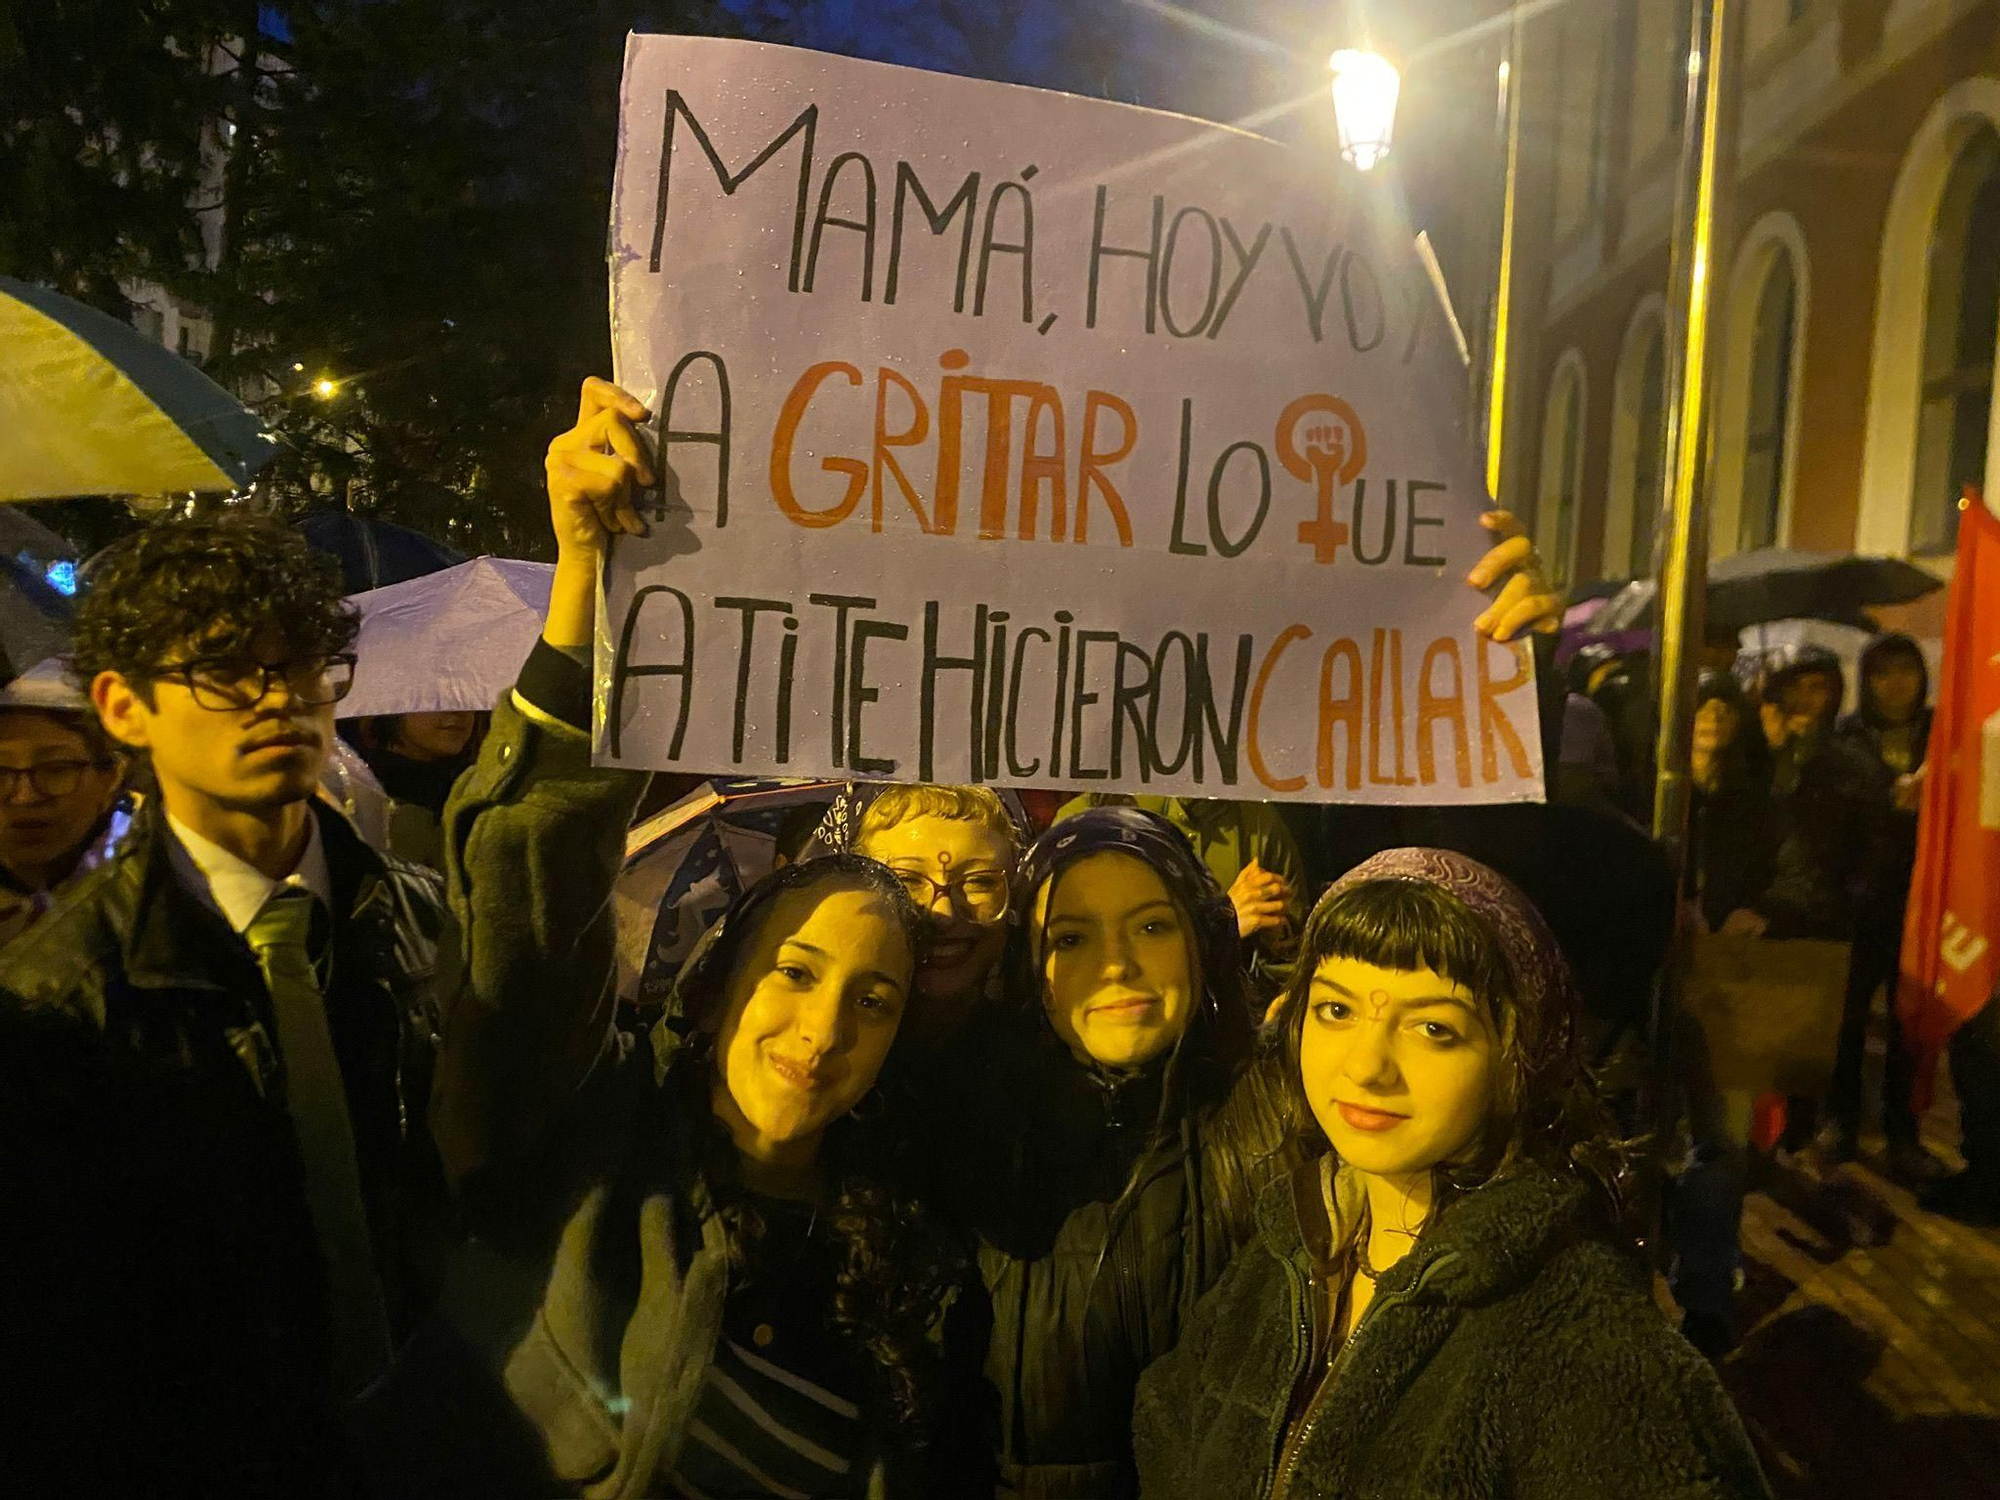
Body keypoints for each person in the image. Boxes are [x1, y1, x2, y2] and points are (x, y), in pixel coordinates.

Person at [411, 376, 991, 1497]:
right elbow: (528, 903)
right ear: (717, 986)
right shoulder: (584, 1145)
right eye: (795, 970)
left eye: (872, 1000)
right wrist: (583, 576)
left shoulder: (915, 1263)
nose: (821, 1029)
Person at [0, 515, 455, 1498]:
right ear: (122, 707)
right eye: (224, 672)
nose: (277, 701)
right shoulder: (54, 1003)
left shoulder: (422, 924)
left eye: (301, 667)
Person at [1131, 848, 1772, 1500]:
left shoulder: (1578, 1344)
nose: (1367, 1066)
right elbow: (1172, 1424)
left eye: (1433, 1028)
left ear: (1515, 1055)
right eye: (1336, 1011)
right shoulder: (1295, 1242)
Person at [960, 805, 1285, 1498]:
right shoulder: (968, 1137)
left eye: (1151, 926)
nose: (1116, 964)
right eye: (1071, 938)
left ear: (1201, 939)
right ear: (1030, 968)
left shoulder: (1286, 1126)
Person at [1827, 633, 1940, 1177]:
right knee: (1846, 1021)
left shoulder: (1941, 734)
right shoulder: (1847, 737)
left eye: (1908, 671)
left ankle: (1903, 1132)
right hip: (1858, 902)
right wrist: (1892, 797)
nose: (1898, 684)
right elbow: (1843, 800)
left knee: (1910, 1023)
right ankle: (1839, 1124)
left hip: (1922, 903)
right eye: (1884, 673)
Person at [1053, 792, 1309, 993]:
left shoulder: (1258, 822)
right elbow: (1062, 952)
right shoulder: (1084, 819)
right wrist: (1223, 924)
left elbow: (1288, 962)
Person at [0, 673, 126, 946]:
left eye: (56, 769)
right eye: (0, 772)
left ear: (112, 777)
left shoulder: (152, 890)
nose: (25, 796)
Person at [347, 710, 484, 868]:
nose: (458, 711)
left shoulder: (481, 792)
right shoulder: (358, 792)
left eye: (463, 696)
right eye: (433, 698)